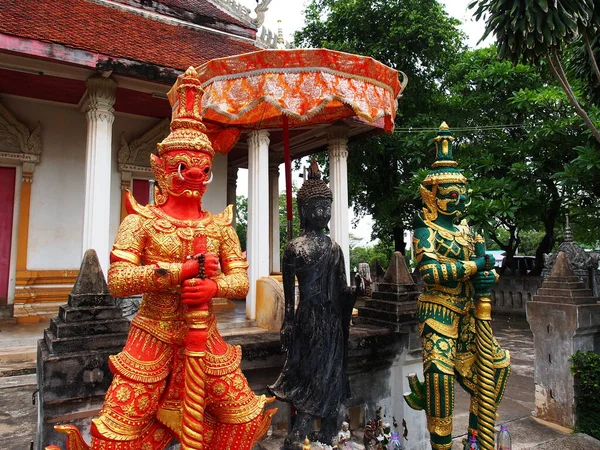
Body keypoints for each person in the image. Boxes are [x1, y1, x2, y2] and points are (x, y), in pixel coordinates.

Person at [52, 67, 274, 450]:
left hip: (205, 336)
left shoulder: (218, 225)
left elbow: (239, 281)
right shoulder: (141, 221)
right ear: (162, 168)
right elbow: (118, 281)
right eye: (183, 167)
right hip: (151, 336)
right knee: (114, 437)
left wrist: (213, 285)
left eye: (203, 169)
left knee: (247, 419)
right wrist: (181, 270)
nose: (194, 176)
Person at [403, 123, 510, 450]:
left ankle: (477, 440)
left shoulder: (467, 231)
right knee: (440, 381)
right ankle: (442, 445)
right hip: (439, 316)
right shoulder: (425, 232)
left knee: (497, 367)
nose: (459, 199)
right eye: (451, 194)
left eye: (462, 193)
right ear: (432, 197)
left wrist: (487, 277)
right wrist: (475, 266)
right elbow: (430, 272)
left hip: (470, 315)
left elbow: (485, 274)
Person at [269, 163, 357, 449]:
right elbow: (289, 295)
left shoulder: (335, 248)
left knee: (332, 371)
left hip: (332, 320)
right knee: (312, 373)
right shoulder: (293, 248)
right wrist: (288, 323)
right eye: (317, 207)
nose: (323, 213)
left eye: (326, 207)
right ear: (304, 210)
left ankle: (330, 430)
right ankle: (299, 432)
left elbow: (341, 289)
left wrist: (354, 292)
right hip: (308, 318)